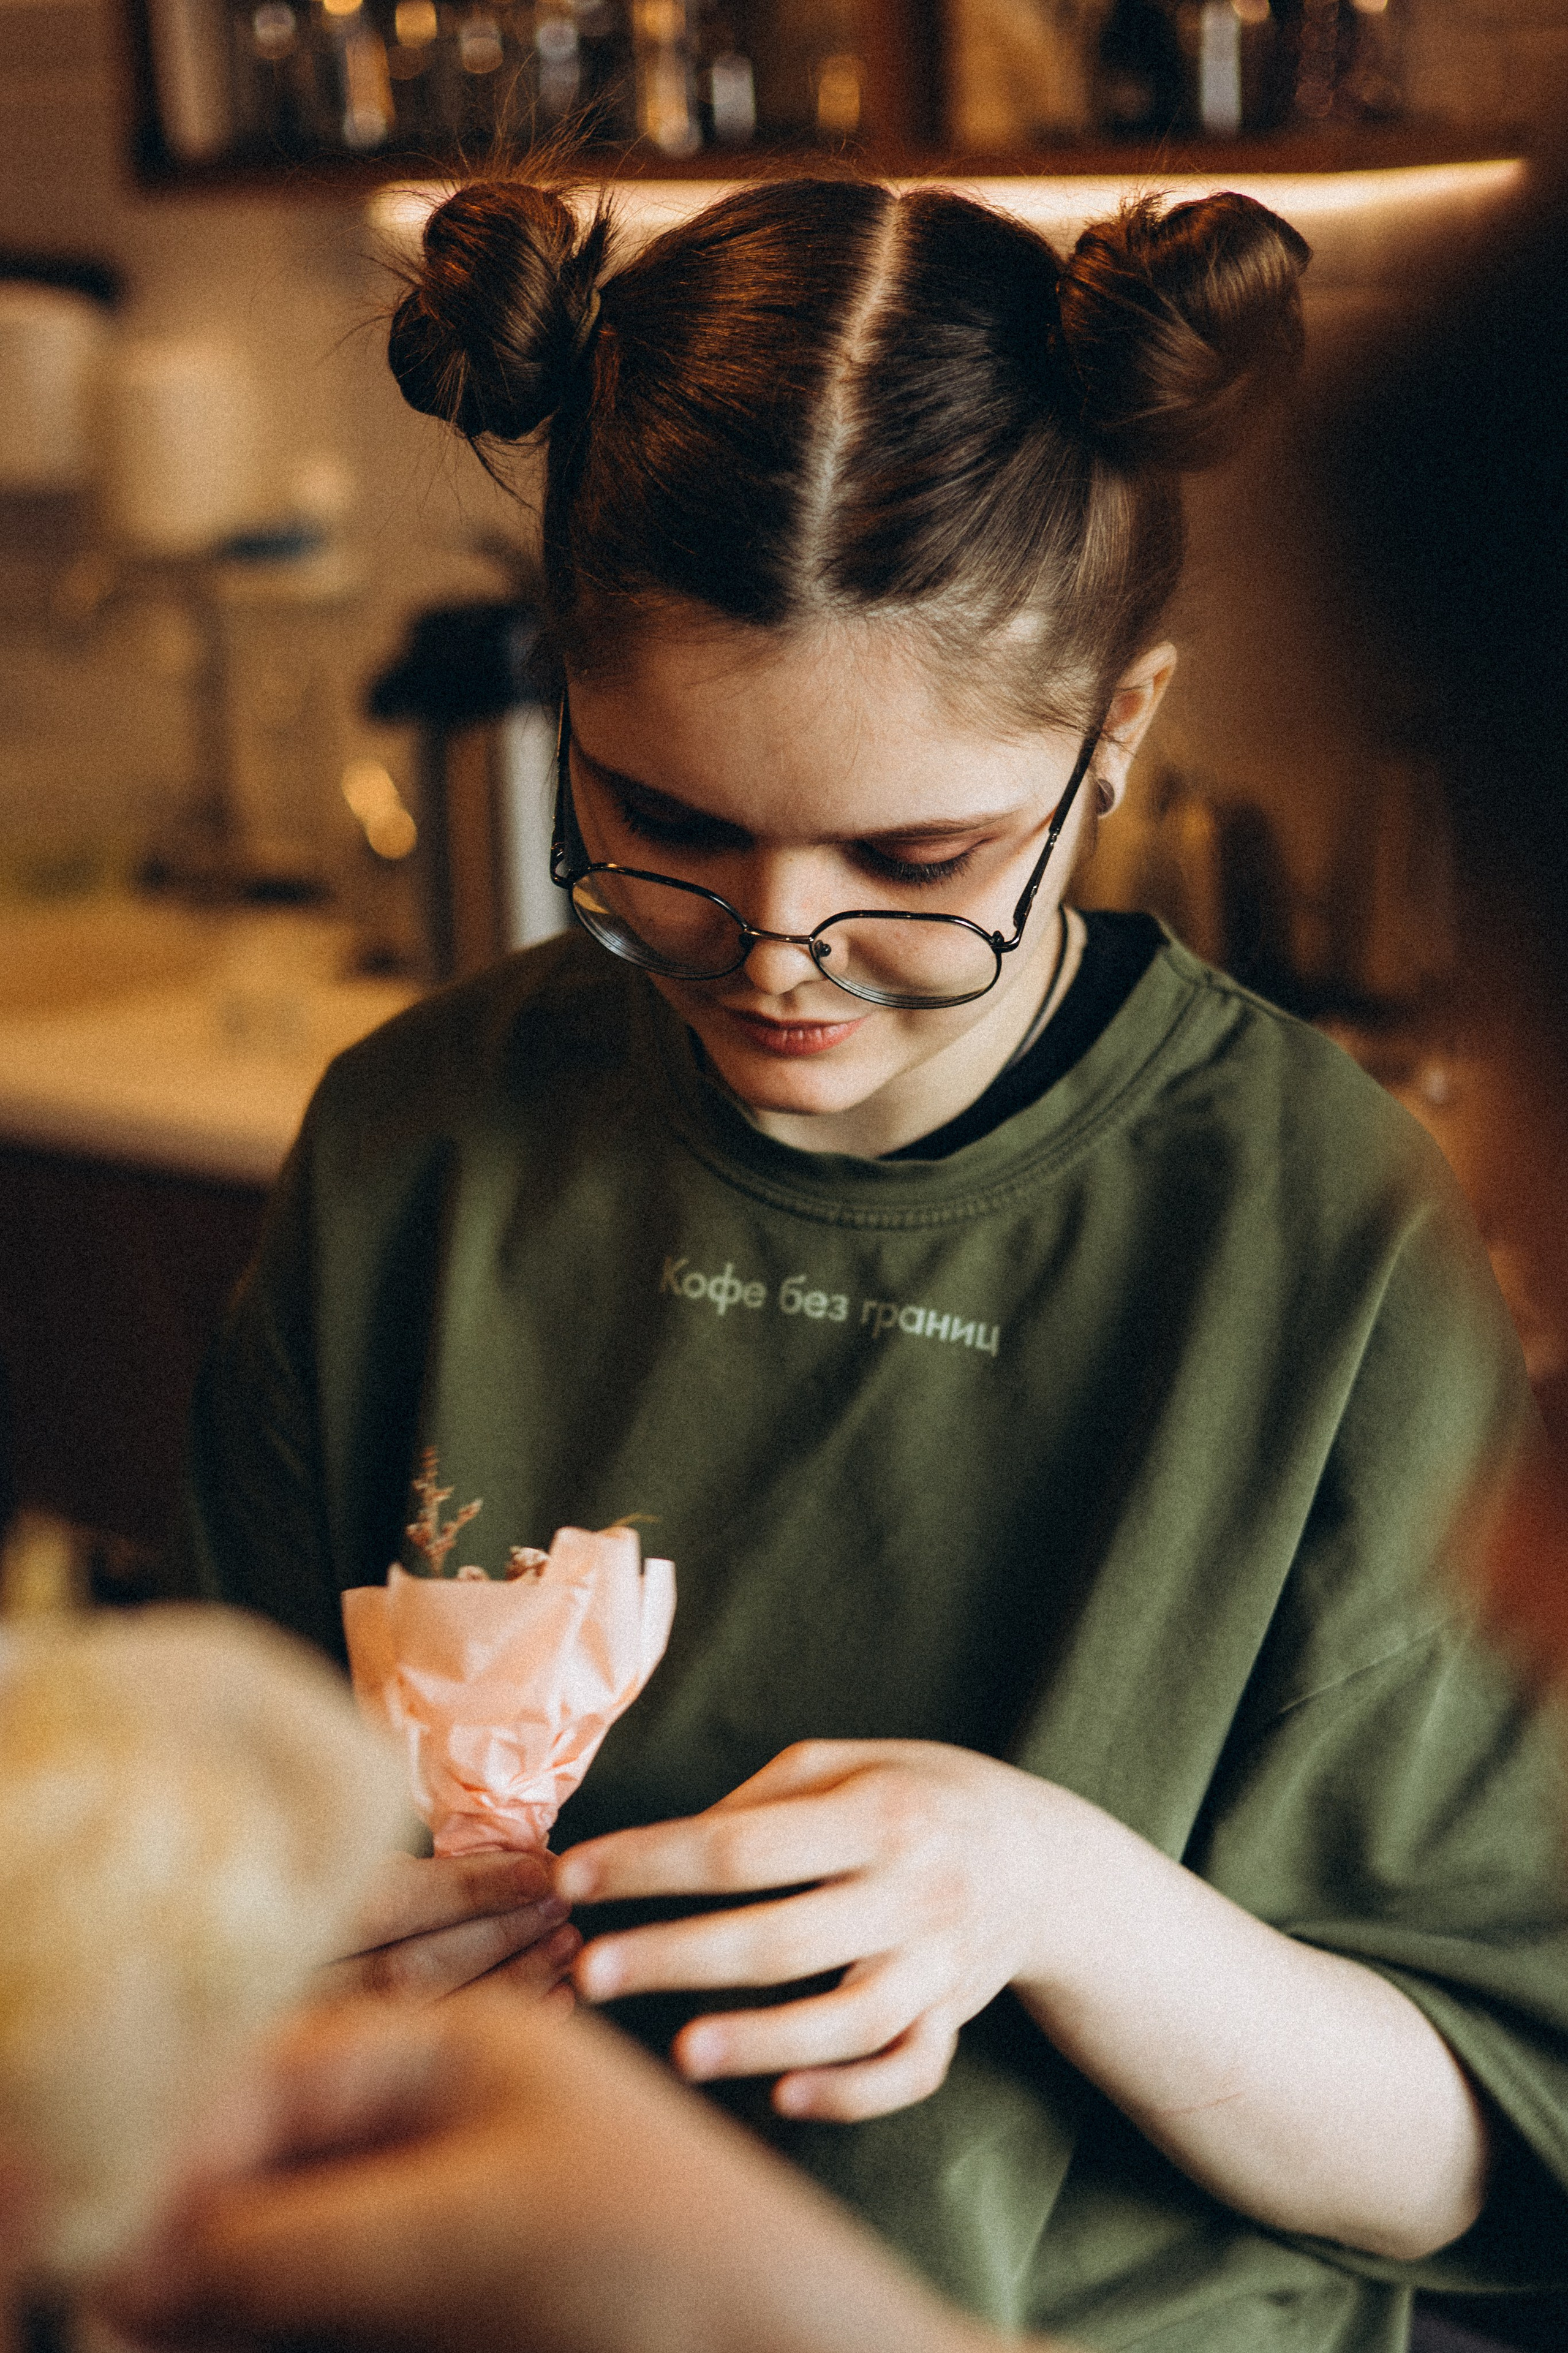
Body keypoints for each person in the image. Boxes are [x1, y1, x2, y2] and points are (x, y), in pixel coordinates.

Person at [173, 170, 1568, 2351]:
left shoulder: (1328, 1233)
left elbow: (1494, 2140)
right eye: (669, 828)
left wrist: (1061, 1897)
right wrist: (271, 1970)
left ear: (1119, 733)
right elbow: (187, 1898)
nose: (782, 959)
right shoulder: (415, 1151)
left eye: (917, 858)